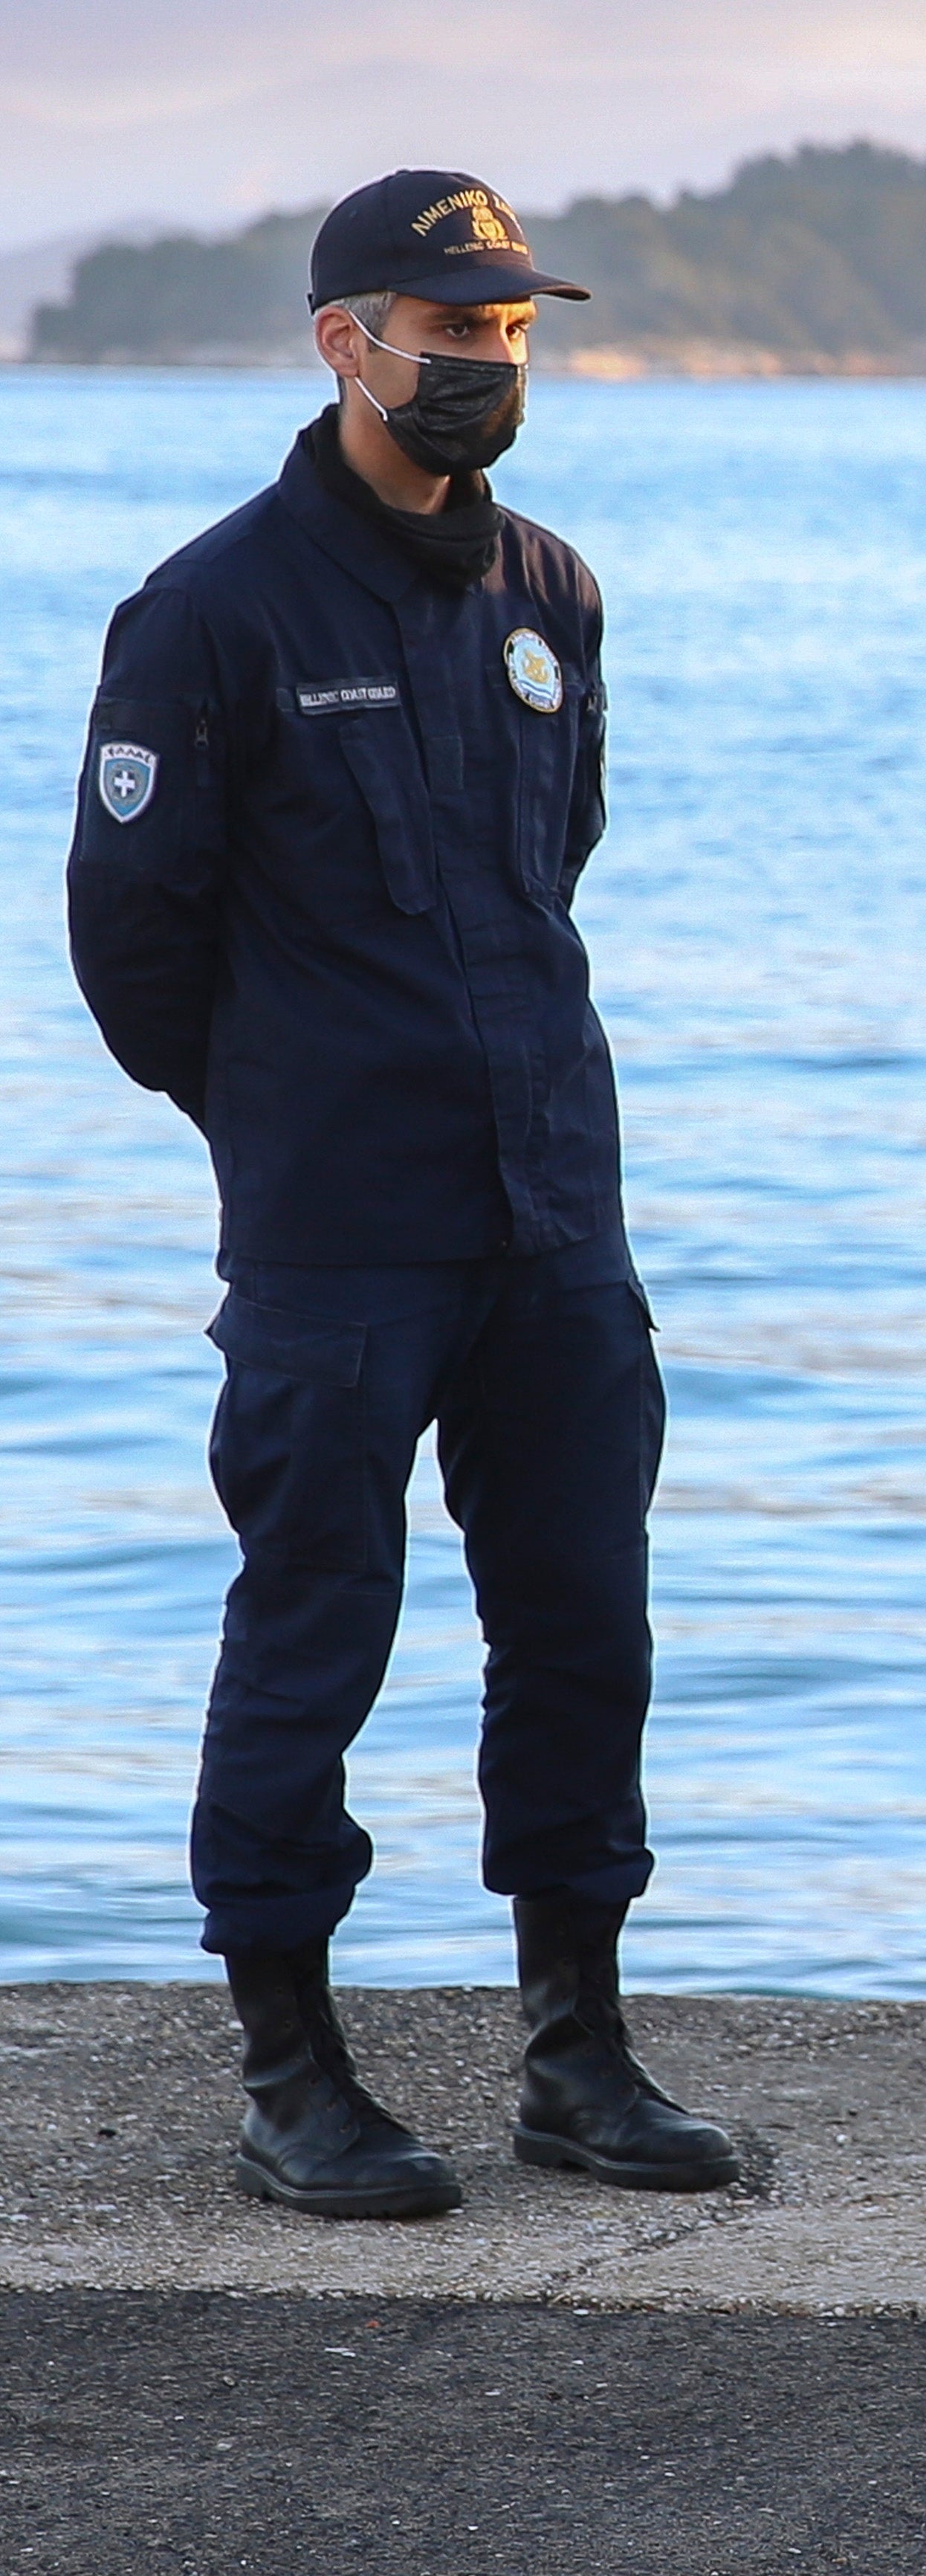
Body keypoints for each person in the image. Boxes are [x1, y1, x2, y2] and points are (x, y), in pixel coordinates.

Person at [65, 171, 734, 2216]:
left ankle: (578, 2052)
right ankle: (293, 2070)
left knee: (580, 1626)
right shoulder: (211, 612)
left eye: (517, 332)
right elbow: (130, 943)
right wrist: (284, 1109)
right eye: (454, 332)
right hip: (339, 1226)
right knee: (312, 1630)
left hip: (550, 1205)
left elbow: (562, 860)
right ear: (345, 340)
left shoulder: (551, 588)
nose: (490, 364)